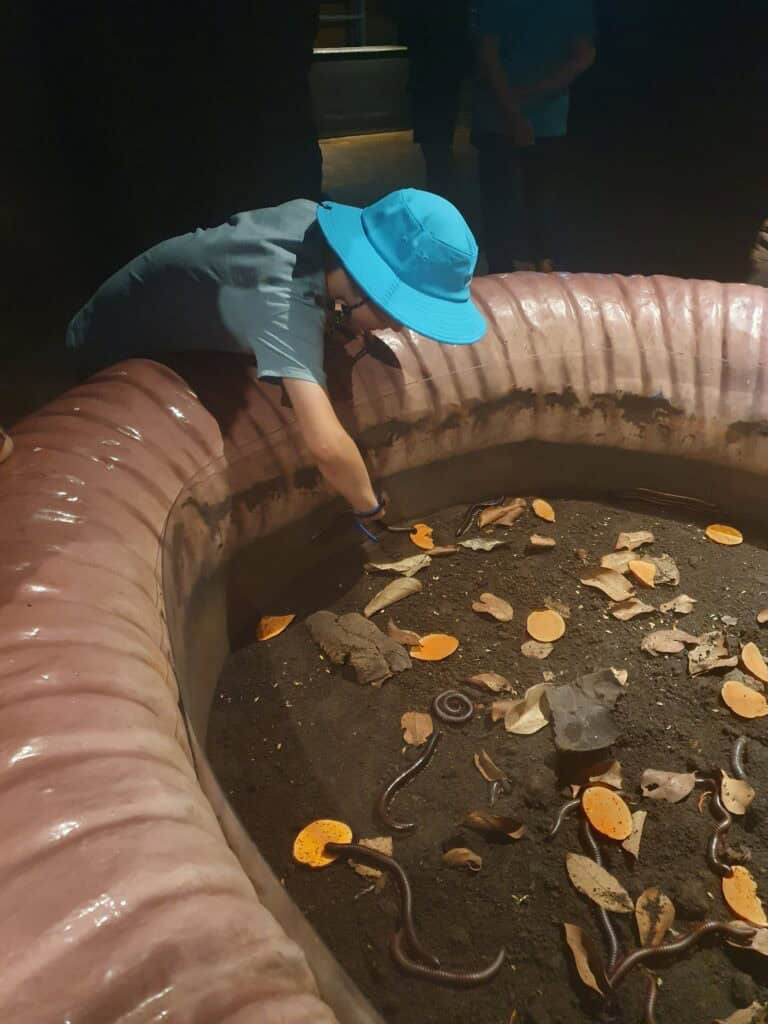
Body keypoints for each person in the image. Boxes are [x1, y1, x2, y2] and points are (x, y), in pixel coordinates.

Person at [65, 189, 486, 538]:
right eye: (397, 313)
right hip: (113, 347)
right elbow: (325, 445)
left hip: (191, 325)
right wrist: (370, 508)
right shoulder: (282, 299)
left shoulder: (316, 230)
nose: (397, 327)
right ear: (365, 289)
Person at [472, 0, 596, 273]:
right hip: (543, 117)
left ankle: (506, 273)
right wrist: (532, 95)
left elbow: (488, 56)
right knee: (540, 201)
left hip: (498, 115)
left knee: (502, 204)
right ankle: (540, 268)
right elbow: (584, 56)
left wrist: (512, 108)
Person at [388, 0, 472, 196]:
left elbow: (406, 31)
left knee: (434, 148)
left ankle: (443, 196)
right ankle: (446, 197)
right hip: (446, 74)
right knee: (439, 147)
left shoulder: (423, 9)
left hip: (428, 76)